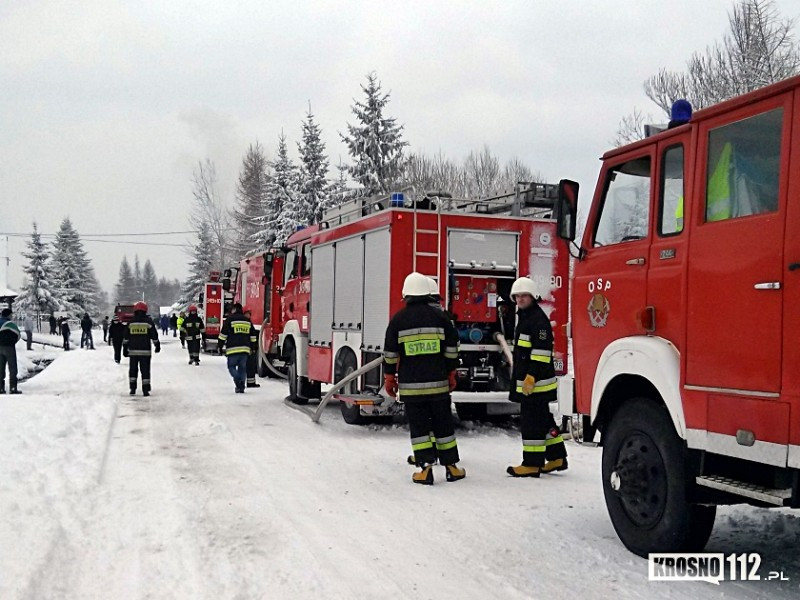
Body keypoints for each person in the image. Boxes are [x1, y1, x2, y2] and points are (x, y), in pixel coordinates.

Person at [384, 272, 465, 485]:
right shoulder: (441, 318)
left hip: (412, 388)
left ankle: (425, 468)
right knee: (443, 424)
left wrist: (389, 378)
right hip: (438, 385)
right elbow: (451, 349)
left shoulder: (398, 320)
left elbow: (391, 353)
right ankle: (451, 468)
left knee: (419, 427)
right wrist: (450, 372)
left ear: (407, 294)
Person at [506, 276, 568, 478]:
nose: (520, 299)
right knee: (543, 419)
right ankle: (557, 456)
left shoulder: (536, 321)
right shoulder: (527, 317)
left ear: (533, 297)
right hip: (532, 382)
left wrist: (530, 377)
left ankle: (532, 463)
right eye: (517, 296)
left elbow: (540, 354)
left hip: (535, 383)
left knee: (531, 422)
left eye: (524, 295)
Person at [122, 301, 160, 396]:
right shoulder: (148, 322)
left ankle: (132, 388)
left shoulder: (131, 322)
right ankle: (145, 389)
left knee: (133, 370)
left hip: (133, 352)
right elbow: (154, 335)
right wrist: (157, 345)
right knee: (145, 370)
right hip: (145, 352)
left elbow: (126, 337)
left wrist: (125, 348)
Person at [217, 303, 256, 393]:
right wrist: (253, 348)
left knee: (231, 366)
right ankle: (241, 387)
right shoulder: (247, 321)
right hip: (245, 349)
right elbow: (253, 336)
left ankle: (238, 380)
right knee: (242, 368)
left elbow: (223, 335)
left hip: (232, 349)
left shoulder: (230, 320)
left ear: (234, 310)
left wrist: (219, 346)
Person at [0, 307, 22, 394]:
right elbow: (18, 335)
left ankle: (1, 388)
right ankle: (13, 388)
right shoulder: (11, 324)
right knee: (12, 367)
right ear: (9, 315)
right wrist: (13, 342)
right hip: (9, 347)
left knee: (0, 368)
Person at [243, 310, 260, 388]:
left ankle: (250, 382)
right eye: (247, 314)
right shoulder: (247, 323)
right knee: (247, 366)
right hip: (247, 348)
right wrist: (252, 348)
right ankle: (246, 383)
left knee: (249, 366)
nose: (249, 316)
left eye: (249, 314)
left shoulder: (247, 322)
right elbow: (253, 336)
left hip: (247, 347)